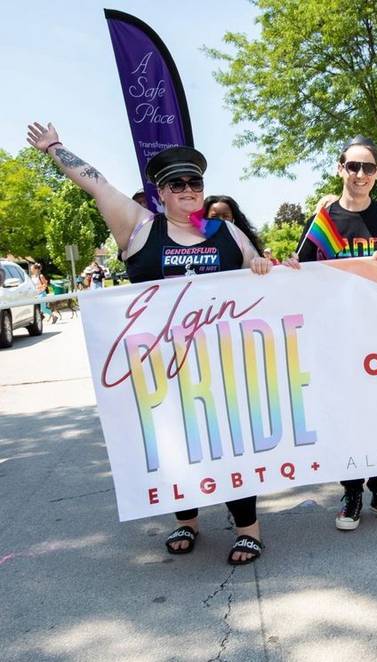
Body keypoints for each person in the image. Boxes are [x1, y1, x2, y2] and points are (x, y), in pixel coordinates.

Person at [27, 121, 275, 565]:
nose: (186, 189)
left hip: (218, 363)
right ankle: (187, 519)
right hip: (158, 366)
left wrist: (262, 265)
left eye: (193, 182)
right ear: (160, 192)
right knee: (174, 444)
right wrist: (55, 149)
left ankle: (247, 528)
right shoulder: (140, 227)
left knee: (230, 442)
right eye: (175, 183)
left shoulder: (224, 233)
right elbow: (97, 185)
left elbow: (260, 266)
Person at [296, 135, 377, 531]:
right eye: (353, 166)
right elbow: (300, 272)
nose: (360, 174)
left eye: (368, 168)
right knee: (347, 416)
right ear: (340, 168)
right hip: (339, 339)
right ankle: (351, 494)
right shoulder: (324, 221)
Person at [203, 195, 267, 258]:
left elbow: (253, 261)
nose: (221, 221)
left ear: (233, 219)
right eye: (214, 216)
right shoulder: (198, 243)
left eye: (225, 216)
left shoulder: (242, 244)